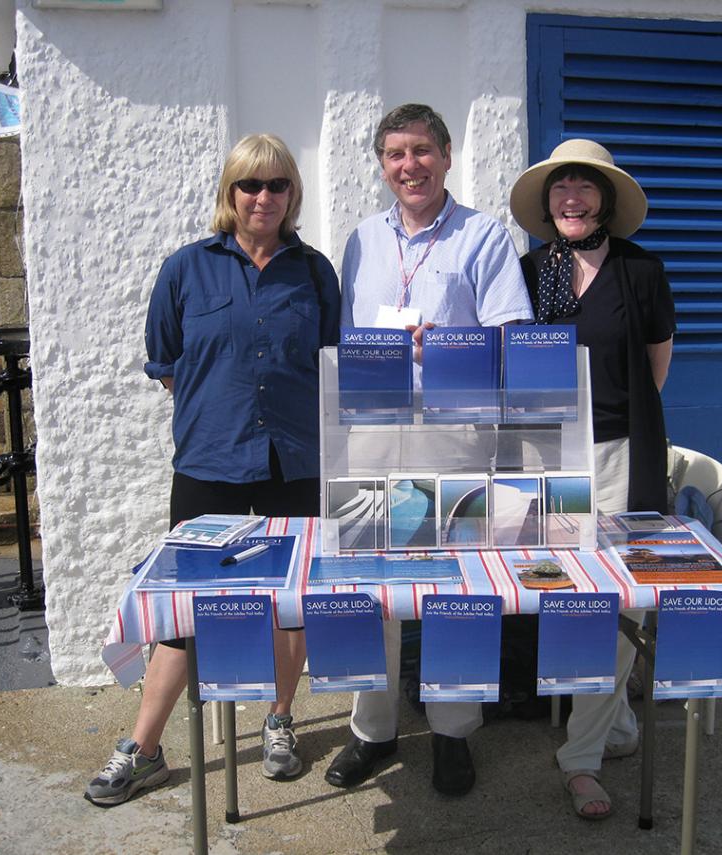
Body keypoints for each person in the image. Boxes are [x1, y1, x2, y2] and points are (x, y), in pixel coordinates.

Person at [85, 134, 340, 807]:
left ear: (293, 194)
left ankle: (279, 720)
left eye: (278, 185)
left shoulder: (314, 273)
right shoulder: (186, 269)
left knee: (289, 604)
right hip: (211, 459)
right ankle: (145, 748)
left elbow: (331, 362)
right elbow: (167, 363)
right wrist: (222, 410)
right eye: (250, 185)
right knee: (182, 607)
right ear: (230, 193)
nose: (264, 197)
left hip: (294, 459)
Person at [328, 103, 533, 796]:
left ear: (446, 156)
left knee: (455, 588)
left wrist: (443, 348)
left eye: (421, 150)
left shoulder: (483, 235)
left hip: (454, 437)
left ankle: (453, 731)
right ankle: (372, 729)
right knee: (367, 586)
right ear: (382, 165)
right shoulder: (361, 240)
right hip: (371, 434)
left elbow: (512, 338)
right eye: (395, 154)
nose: (409, 165)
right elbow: (348, 339)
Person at [508, 138, 675, 820]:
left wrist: (617, 427)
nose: (571, 197)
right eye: (560, 186)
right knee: (566, 597)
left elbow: (656, 365)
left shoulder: (640, 271)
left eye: (584, 186)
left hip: (619, 454)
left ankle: (580, 759)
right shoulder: (528, 271)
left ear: (604, 199)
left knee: (619, 600)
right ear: (548, 202)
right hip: (548, 455)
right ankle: (615, 723)